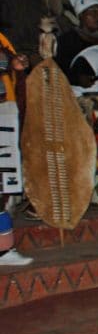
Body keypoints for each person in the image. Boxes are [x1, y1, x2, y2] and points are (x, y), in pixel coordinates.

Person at [0, 32, 31, 266]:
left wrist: (18, 68)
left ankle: (4, 249)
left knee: (1, 189)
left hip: (3, 115)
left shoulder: (2, 40)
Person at [55, 0, 98, 81]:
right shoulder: (67, 40)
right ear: (81, 15)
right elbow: (58, 71)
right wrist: (77, 79)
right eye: (93, 12)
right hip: (80, 93)